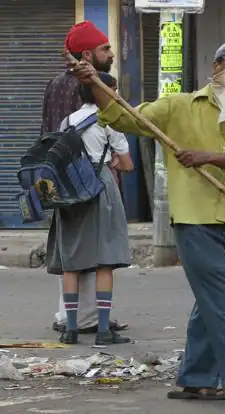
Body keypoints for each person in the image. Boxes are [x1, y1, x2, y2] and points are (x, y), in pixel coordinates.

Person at [70, 40, 225, 403]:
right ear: (217, 67)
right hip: (195, 219)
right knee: (218, 302)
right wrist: (95, 83)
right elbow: (125, 117)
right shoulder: (179, 106)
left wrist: (207, 156)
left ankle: (195, 379)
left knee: (215, 304)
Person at [42, 20, 129, 335]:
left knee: (71, 251)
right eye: (106, 48)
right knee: (98, 251)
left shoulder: (54, 84)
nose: (112, 54)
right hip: (91, 180)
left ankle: (69, 318)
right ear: (88, 55)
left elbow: (48, 137)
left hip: (66, 182)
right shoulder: (94, 87)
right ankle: (91, 320)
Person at [51, 72, 134, 345]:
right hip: (101, 189)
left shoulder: (66, 121)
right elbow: (127, 164)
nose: (116, 94)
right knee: (104, 260)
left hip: (71, 192)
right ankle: (102, 331)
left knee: (72, 263)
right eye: (113, 89)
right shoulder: (109, 121)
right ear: (102, 92)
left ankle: (71, 330)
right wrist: (109, 163)